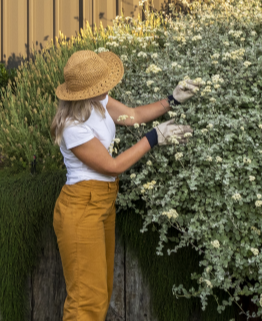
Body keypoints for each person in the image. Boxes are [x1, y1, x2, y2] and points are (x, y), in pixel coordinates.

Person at [50, 49, 198, 321]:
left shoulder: (99, 101)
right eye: (100, 84)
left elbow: (133, 115)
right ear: (85, 91)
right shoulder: (73, 127)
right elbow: (112, 165)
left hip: (102, 202)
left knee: (101, 293)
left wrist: (172, 100)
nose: (107, 86)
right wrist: (154, 138)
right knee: (86, 302)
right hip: (82, 207)